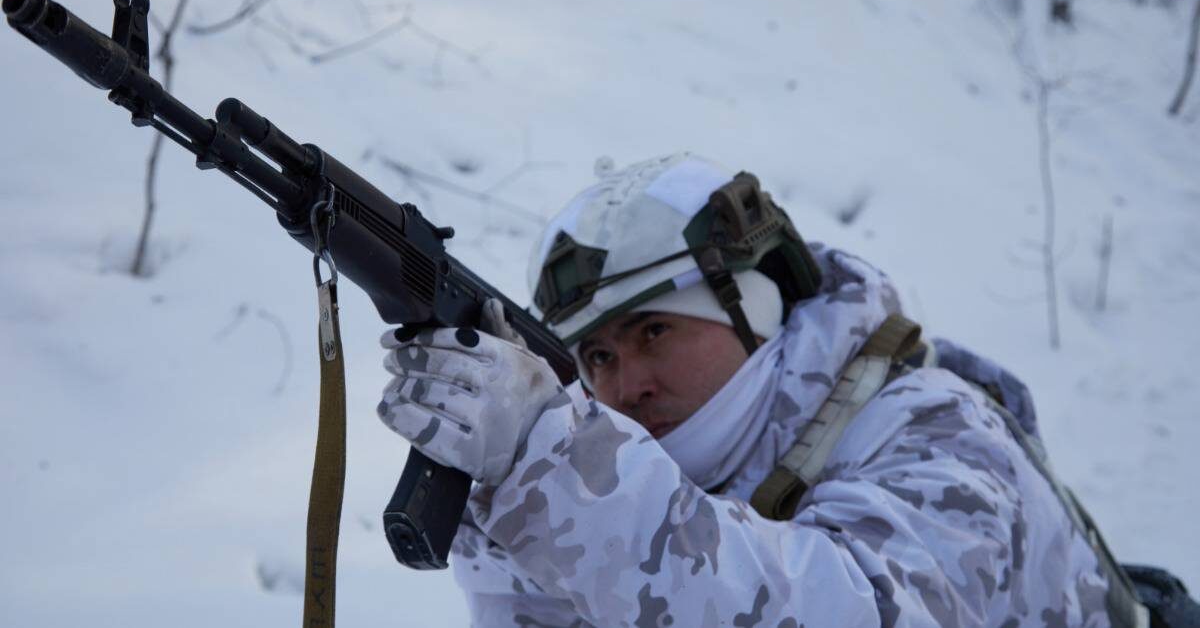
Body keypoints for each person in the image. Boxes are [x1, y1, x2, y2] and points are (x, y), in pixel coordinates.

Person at [375, 154, 1140, 627]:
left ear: (755, 311)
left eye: (654, 331)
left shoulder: (939, 427)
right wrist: (507, 506)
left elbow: (853, 610)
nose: (626, 384)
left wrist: (561, 473)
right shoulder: (667, 477)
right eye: (598, 355)